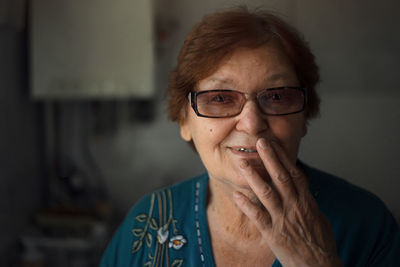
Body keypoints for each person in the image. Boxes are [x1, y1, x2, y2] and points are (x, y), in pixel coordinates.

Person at [100, 7, 400, 267]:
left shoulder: (368, 226)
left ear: (304, 117)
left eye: (277, 96)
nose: (252, 124)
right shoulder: (147, 226)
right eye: (219, 98)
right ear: (184, 120)